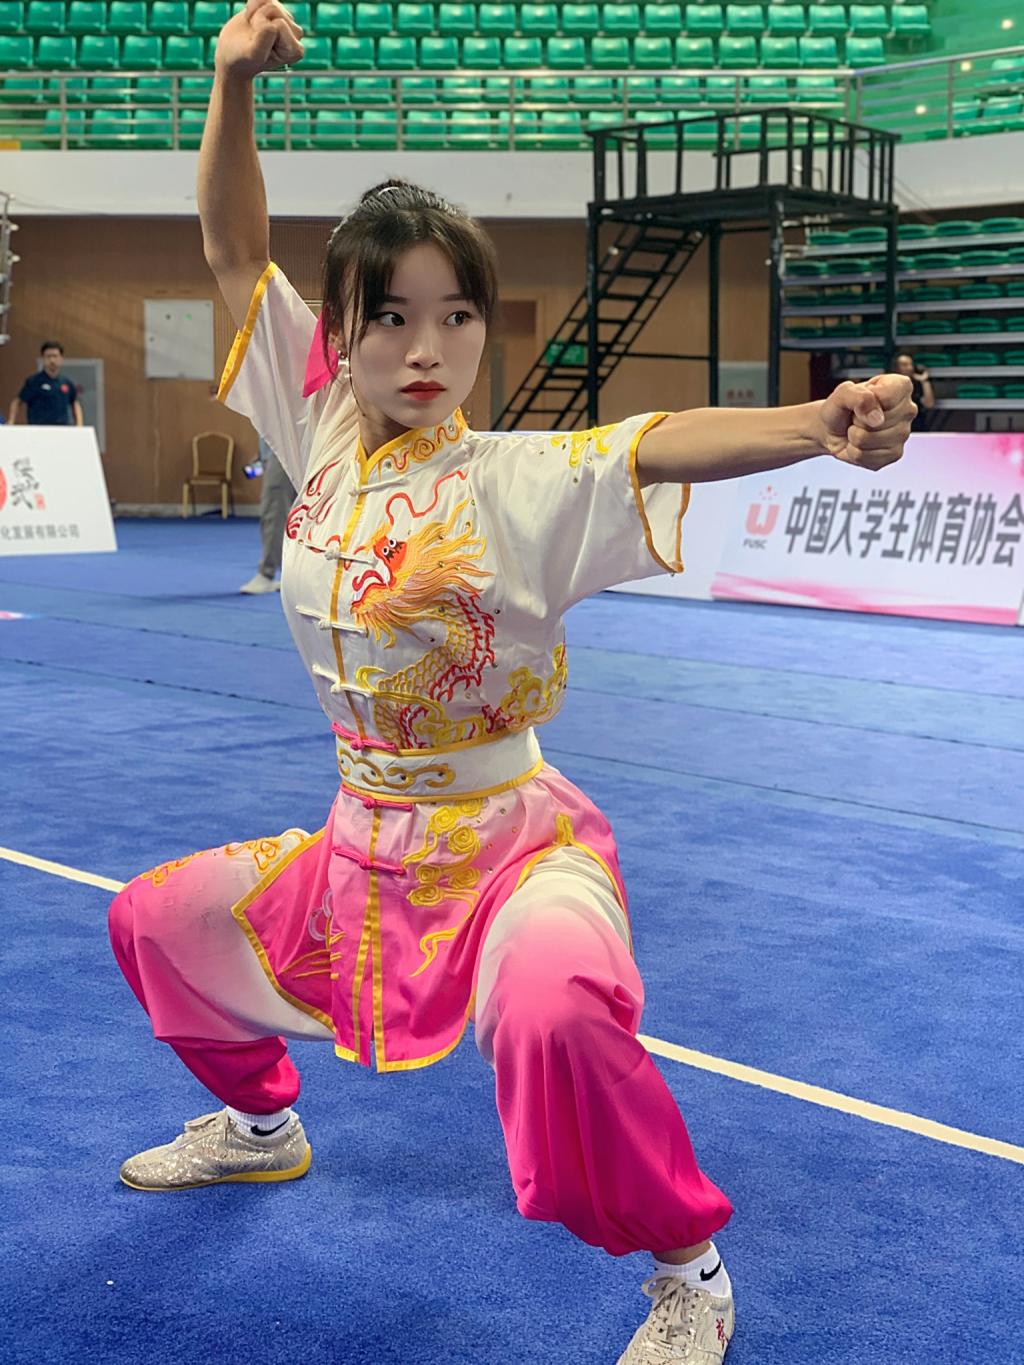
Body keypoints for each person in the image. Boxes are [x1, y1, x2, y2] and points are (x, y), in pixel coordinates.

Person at [106, 4, 916, 1361]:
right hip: (360, 851)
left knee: (551, 1014)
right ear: (344, 332)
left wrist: (818, 424)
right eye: (392, 318)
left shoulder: (517, 481)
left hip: (514, 850)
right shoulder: (318, 423)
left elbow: (655, 441)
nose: (427, 347)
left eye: (457, 314)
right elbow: (235, 250)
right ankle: (259, 1124)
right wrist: (228, 83)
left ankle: (689, 1270)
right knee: (157, 923)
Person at [239, 434, 296, 593]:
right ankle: (290, 575)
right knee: (293, 516)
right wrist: (262, 454)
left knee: (274, 511)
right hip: (277, 451)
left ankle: (266, 573)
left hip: (283, 450)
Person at [7, 341, 84, 428]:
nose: (52, 360)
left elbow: (75, 403)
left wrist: (79, 424)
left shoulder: (67, 383)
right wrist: (11, 421)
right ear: (43, 359)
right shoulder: (33, 382)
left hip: (61, 429)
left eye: (55, 356)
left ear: (61, 359)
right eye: (48, 356)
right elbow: (17, 402)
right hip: (38, 429)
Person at [892, 350, 935, 432]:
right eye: (904, 365)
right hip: (897, 426)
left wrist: (924, 381)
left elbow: (929, 404)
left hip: (917, 425)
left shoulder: (918, 383)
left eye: (911, 364)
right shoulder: (890, 383)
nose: (909, 368)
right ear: (896, 368)